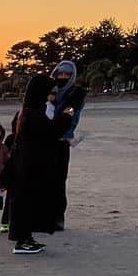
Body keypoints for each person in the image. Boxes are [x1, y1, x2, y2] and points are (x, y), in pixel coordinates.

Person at [6, 73, 74, 255]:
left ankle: (26, 239)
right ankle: (22, 242)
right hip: (28, 168)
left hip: (26, 166)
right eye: (48, 91)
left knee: (26, 203)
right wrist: (67, 115)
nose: (50, 95)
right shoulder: (33, 113)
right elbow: (50, 132)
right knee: (25, 203)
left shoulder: (29, 111)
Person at [50, 61, 86, 230]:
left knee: (58, 181)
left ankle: (57, 219)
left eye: (67, 75)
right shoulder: (49, 90)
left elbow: (70, 113)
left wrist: (61, 121)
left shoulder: (76, 93)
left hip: (62, 141)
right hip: (45, 142)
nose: (63, 77)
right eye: (60, 74)